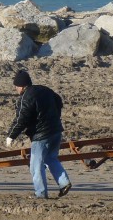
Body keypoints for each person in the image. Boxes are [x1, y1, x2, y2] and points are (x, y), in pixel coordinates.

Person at [6, 70, 72, 199]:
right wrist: (54, 118)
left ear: (21, 85)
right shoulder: (45, 89)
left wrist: (11, 136)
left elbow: (21, 119)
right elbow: (58, 102)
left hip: (41, 136)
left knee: (35, 166)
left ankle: (40, 193)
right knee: (51, 158)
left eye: (16, 86)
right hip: (56, 131)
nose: (16, 89)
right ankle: (64, 183)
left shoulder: (25, 97)